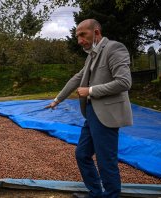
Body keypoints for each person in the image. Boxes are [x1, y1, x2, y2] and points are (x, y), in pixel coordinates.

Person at [45, 19, 132, 198]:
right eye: (77, 36)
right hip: (92, 113)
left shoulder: (115, 48)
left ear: (97, 32)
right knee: (82, 154)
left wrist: (90, 90)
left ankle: (111, 195)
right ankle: (95, 193)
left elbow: (124, 82)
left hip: (107, 113)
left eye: (83, 35)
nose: (79, 40)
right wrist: (57, 100)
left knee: (105, 161)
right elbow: (77, 78)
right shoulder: (91, 54)